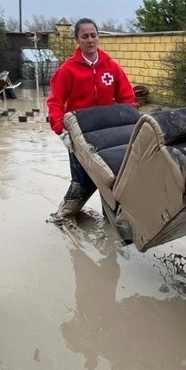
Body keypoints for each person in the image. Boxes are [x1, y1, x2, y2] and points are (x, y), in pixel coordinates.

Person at [46, 18, 135, 220]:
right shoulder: (67, 70)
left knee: (112, 178)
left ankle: (112, 224)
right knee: (82, 182)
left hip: (108, 134)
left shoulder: (111, 67)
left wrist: (126, 125)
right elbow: (55, 102)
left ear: (98, 37)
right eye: (84, 36)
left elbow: (127, 99)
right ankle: (63, 216)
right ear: (77, 39)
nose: (90, 40)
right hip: (79, 134)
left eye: (93, 35)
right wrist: (61, 131)